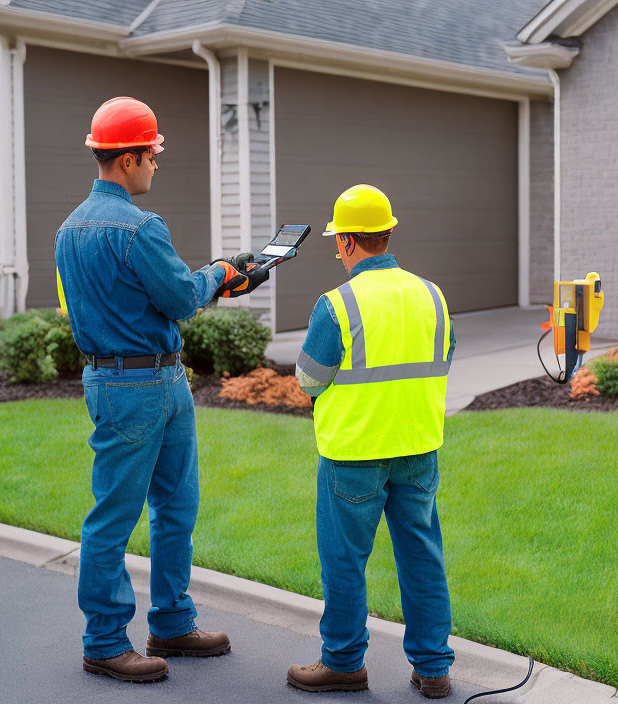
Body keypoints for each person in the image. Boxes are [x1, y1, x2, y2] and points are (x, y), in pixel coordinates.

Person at [54, 96, 266, 683]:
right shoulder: (141, 227)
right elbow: (178, 297)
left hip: (125, 376)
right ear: (128, 159)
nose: (155, 165)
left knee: (170, 506)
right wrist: (221, 275)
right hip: (144, 384)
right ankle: (104, 641)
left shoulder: (68, 230)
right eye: (152, 155)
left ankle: (172, 621)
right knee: (127, 515)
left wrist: (206, 281)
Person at [287, 185, 456, 699]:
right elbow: (443, 356)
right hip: (418, 449)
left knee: (344, 561)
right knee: (423, 556)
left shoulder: (335, 304)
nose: (337, 250)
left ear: (350, 243)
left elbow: (309, 380)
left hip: (354, 455)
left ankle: (342, 662)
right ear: (388, 233)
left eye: (338, 241)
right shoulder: (432, 294)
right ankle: (433, 668)